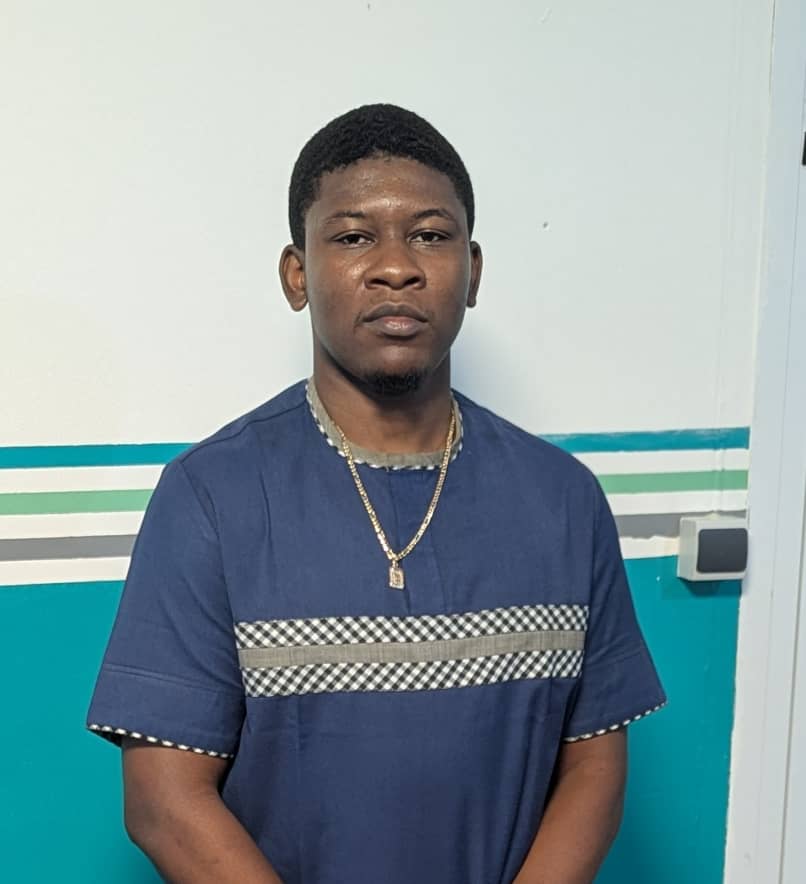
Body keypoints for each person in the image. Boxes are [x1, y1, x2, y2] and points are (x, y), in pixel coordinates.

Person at [87, 103, 666, 884]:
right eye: (355, 237)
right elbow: (164, 802)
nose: (397, 267)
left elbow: (594, 763)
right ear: (297, 274)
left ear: (473, 271)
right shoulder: (211, 497)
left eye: (430, 235)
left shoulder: (563, 500)